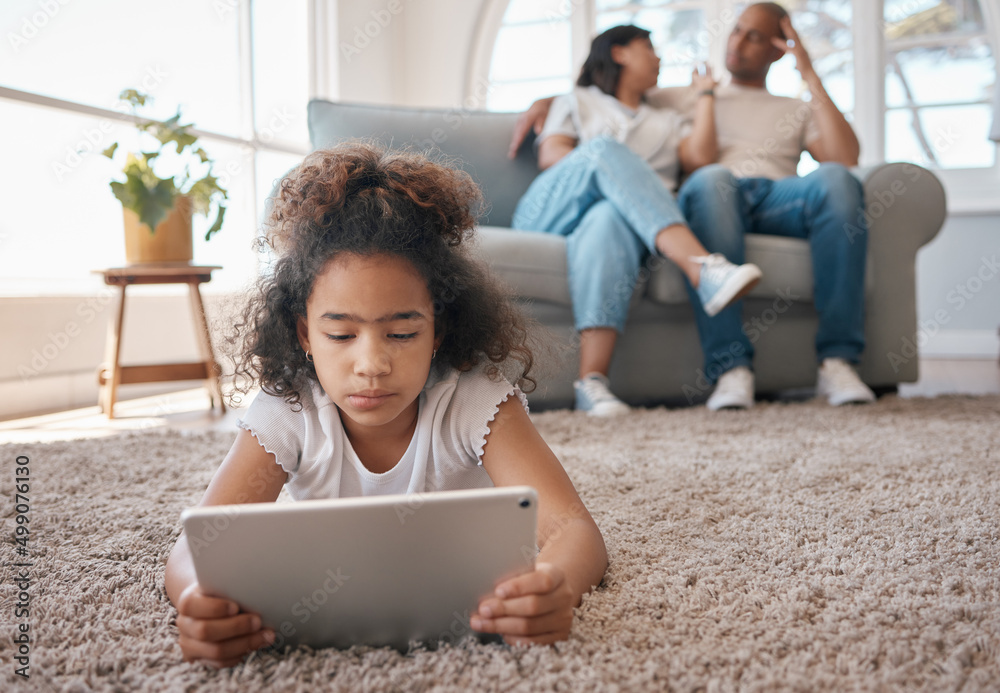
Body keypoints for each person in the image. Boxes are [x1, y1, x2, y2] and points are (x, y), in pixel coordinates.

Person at [164, 142, 608, 667]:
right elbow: (197, 544)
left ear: (438, 330)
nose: (371, 364)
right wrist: (196, 599)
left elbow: (575, 532)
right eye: (340, 334)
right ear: (305, 334)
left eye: (400, 333)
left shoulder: (476, 400)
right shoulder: (288, 408)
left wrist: (554, 584)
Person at [510, 4, 875, 411]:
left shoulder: (793, 108)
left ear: (779, 49)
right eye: (736, 30)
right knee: (710, 178)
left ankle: (838, 361)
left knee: (839, 180)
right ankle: (730, 362)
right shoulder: (680, 96)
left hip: (778, 197)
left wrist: (808, 71)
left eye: (754, 36)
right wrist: (546, 101)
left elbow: (844, 158)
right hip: (716, 193)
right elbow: (606, 95)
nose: (737, 41)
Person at [511, 24, 762, 418]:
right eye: (649, 47)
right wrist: (613, 171)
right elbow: (552, 156)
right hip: (552, 211)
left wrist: (706, 96)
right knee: (606, 153)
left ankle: (592, 383)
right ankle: (701, 266)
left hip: (620, 226)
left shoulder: (665, 119)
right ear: (619, 53)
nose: (659, 57)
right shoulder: (576, 100)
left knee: (609, 217)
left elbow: (699, 158)